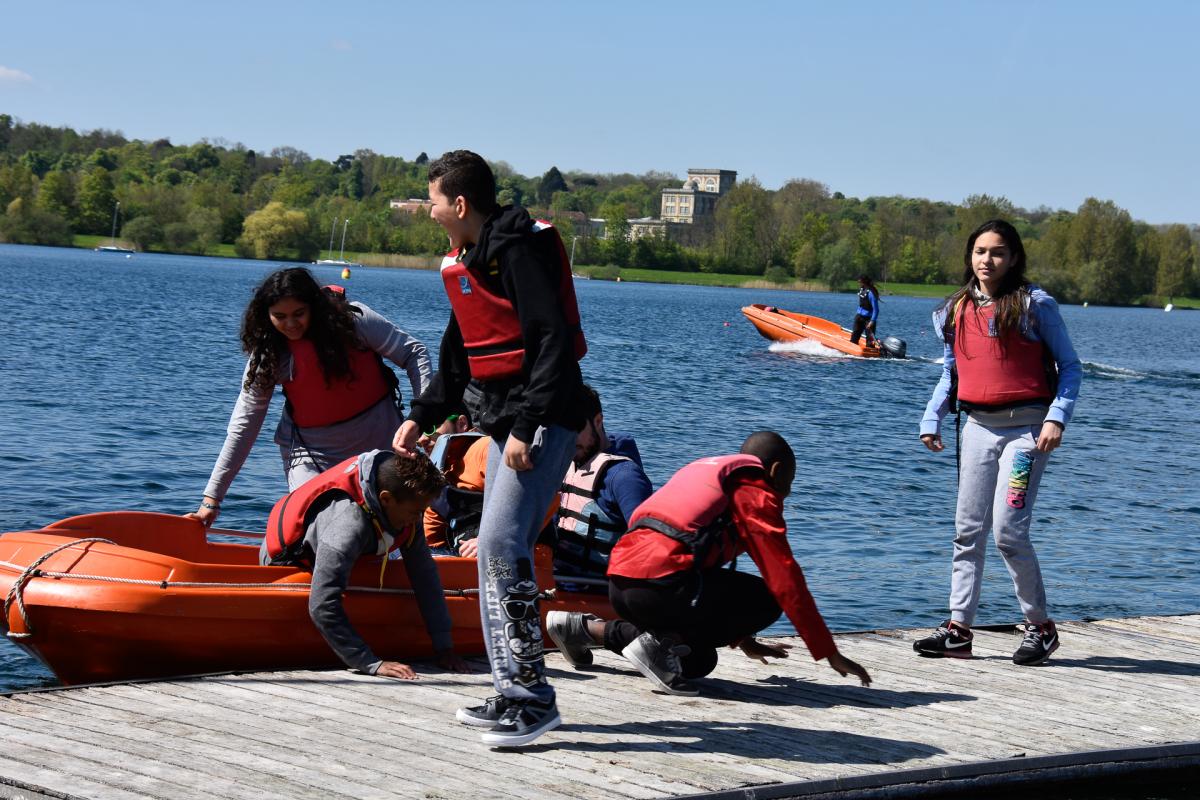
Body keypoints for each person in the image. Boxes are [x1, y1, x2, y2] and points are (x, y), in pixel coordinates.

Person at [392, 150, 588, 747]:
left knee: (501, 544)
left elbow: (552, 341)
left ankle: (532, 699)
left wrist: (528, 426)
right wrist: (422, 416)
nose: (429, 213)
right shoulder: (470, 261)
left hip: (543, 419)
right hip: (506, 420)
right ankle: (511, 690)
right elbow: (459, 355)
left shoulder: (519, 249)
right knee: (495, 550)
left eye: (432, 202)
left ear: (459, 203)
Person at [547, 431, 872, 695]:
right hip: (658, 585)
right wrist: (828, 651)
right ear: (775, 471)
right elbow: (784, 577)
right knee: (770, 598)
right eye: (790, 482)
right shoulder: (755, 490)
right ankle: (656, 643)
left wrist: (742, 637)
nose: (786, 493)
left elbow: (695, 553)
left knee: (699, 661)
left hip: (620, 583)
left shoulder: (706, 470)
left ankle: (584, 629)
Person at [913, 219, 1082, 666]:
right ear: (970, 255)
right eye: (980, 251)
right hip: (977, 432)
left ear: (1013, 258)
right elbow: (951, 373)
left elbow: (1070, 367)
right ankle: (958, 631)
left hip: (1027, 436)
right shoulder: (952, 311)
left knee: (1008, 531)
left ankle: (1040, 627)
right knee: (967, 531)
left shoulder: (1035, 306)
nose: (987, 260)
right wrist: (932, 417)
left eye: (998, 252)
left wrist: (1056, 418)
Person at [192, 267, 431, 527]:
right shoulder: (267, 355)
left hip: (378, 442)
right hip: (311, 453)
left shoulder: (355, 321)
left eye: (299, 314)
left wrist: (424, 419)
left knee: (394, 523)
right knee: (318, 525)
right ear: (266, 315)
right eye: (279, 316)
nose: (290, 324)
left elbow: (414, 353)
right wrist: (212, 499)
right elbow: (244, 424)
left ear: (314, 307)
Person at [261, 448, 469, 678]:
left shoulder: (409, 506)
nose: (418, 519)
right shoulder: (347, 526)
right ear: (386, 499)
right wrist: (370, 663)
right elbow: (322, 606)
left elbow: (424, 576)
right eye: (415, 512)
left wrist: (445, 647)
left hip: (350, 551)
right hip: (288, 565)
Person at [550, 384, 653, 592]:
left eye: (575, 429)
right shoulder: (568, 463)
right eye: (562, 431)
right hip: (555, 583)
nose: (568, 440)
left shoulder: (624, 477)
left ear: (598, 421)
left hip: (596, 593)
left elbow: (649, 544)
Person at [849, 275, 880, 345]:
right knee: (854, 337)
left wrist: (872, 321)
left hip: (868, 319)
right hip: (859, 317)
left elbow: (876, 309)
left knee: (870, 341)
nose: (859, 283)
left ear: (864, 282)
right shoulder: (862, 290)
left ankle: (870, 349)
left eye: (860, 282)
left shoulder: (871, 293)